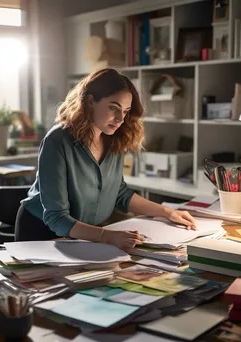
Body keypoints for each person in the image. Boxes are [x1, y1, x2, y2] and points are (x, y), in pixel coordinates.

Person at [16, 68, 196, 250]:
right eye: (113, 107)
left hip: (88, 235)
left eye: (125, 111)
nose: (120, 119)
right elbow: (57, 218)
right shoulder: (57, 141)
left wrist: (168, 212)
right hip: (42, 234)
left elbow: (120, 194)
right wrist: (107, 236)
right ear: (90, 101)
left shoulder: (114, 139)